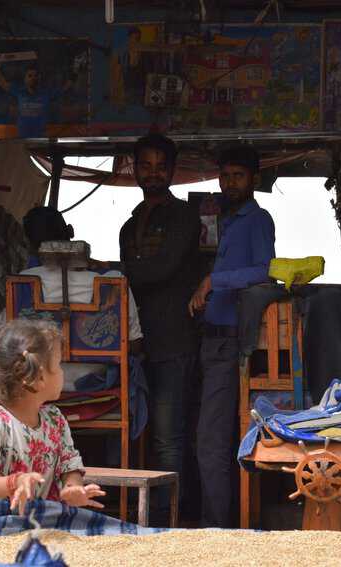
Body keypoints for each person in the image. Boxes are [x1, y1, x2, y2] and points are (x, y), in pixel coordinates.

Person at [189, 144, 275, 528]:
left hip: (230, 343)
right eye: (225, 176)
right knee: (209, 437)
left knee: (211, 440)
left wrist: (214, 280)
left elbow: (265, 270)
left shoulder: (257, 219)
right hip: (210, 339)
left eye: (238, 175)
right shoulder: (223, 218)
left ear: (253, 179)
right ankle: (214, 521)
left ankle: (216, 531)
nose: (230, 183)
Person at [119, 134, 201, 522]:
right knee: (140, 434)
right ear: (134, 168)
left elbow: (163, 268)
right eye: (145, 166)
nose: (152, 173)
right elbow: (136, 281)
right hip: (138, 345)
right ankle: (146, 517)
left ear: (171, 171)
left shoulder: (184, 217)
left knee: (169, 437)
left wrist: (119, 275)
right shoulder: (128, 225)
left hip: (173, 341)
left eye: (159, 166)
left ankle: (175, 523)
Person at [0, 319, 106, 514]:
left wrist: (72, 488)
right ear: (38, 378)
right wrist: (15, 482)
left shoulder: (55, 420)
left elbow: (69, 466)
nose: (62, 372)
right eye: (58, 365)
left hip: (41, 521)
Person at [20, 206, 143, 345]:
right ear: (70, 232)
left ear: (29, 242)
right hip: (97, 364)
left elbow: (5, 331)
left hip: (39, 363)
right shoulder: (113, 280)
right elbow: (134, 341)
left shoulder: (22, 281)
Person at [0, 62, 75, 138]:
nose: (33, 78)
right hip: (22, 138)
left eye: (36, 75)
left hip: (41, 138)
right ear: (25, 79)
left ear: (39, 77)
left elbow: (65, 88)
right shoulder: (20, 92)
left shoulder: (46, 93)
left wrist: (76, 70)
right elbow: (3, 83)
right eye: (30, 76)